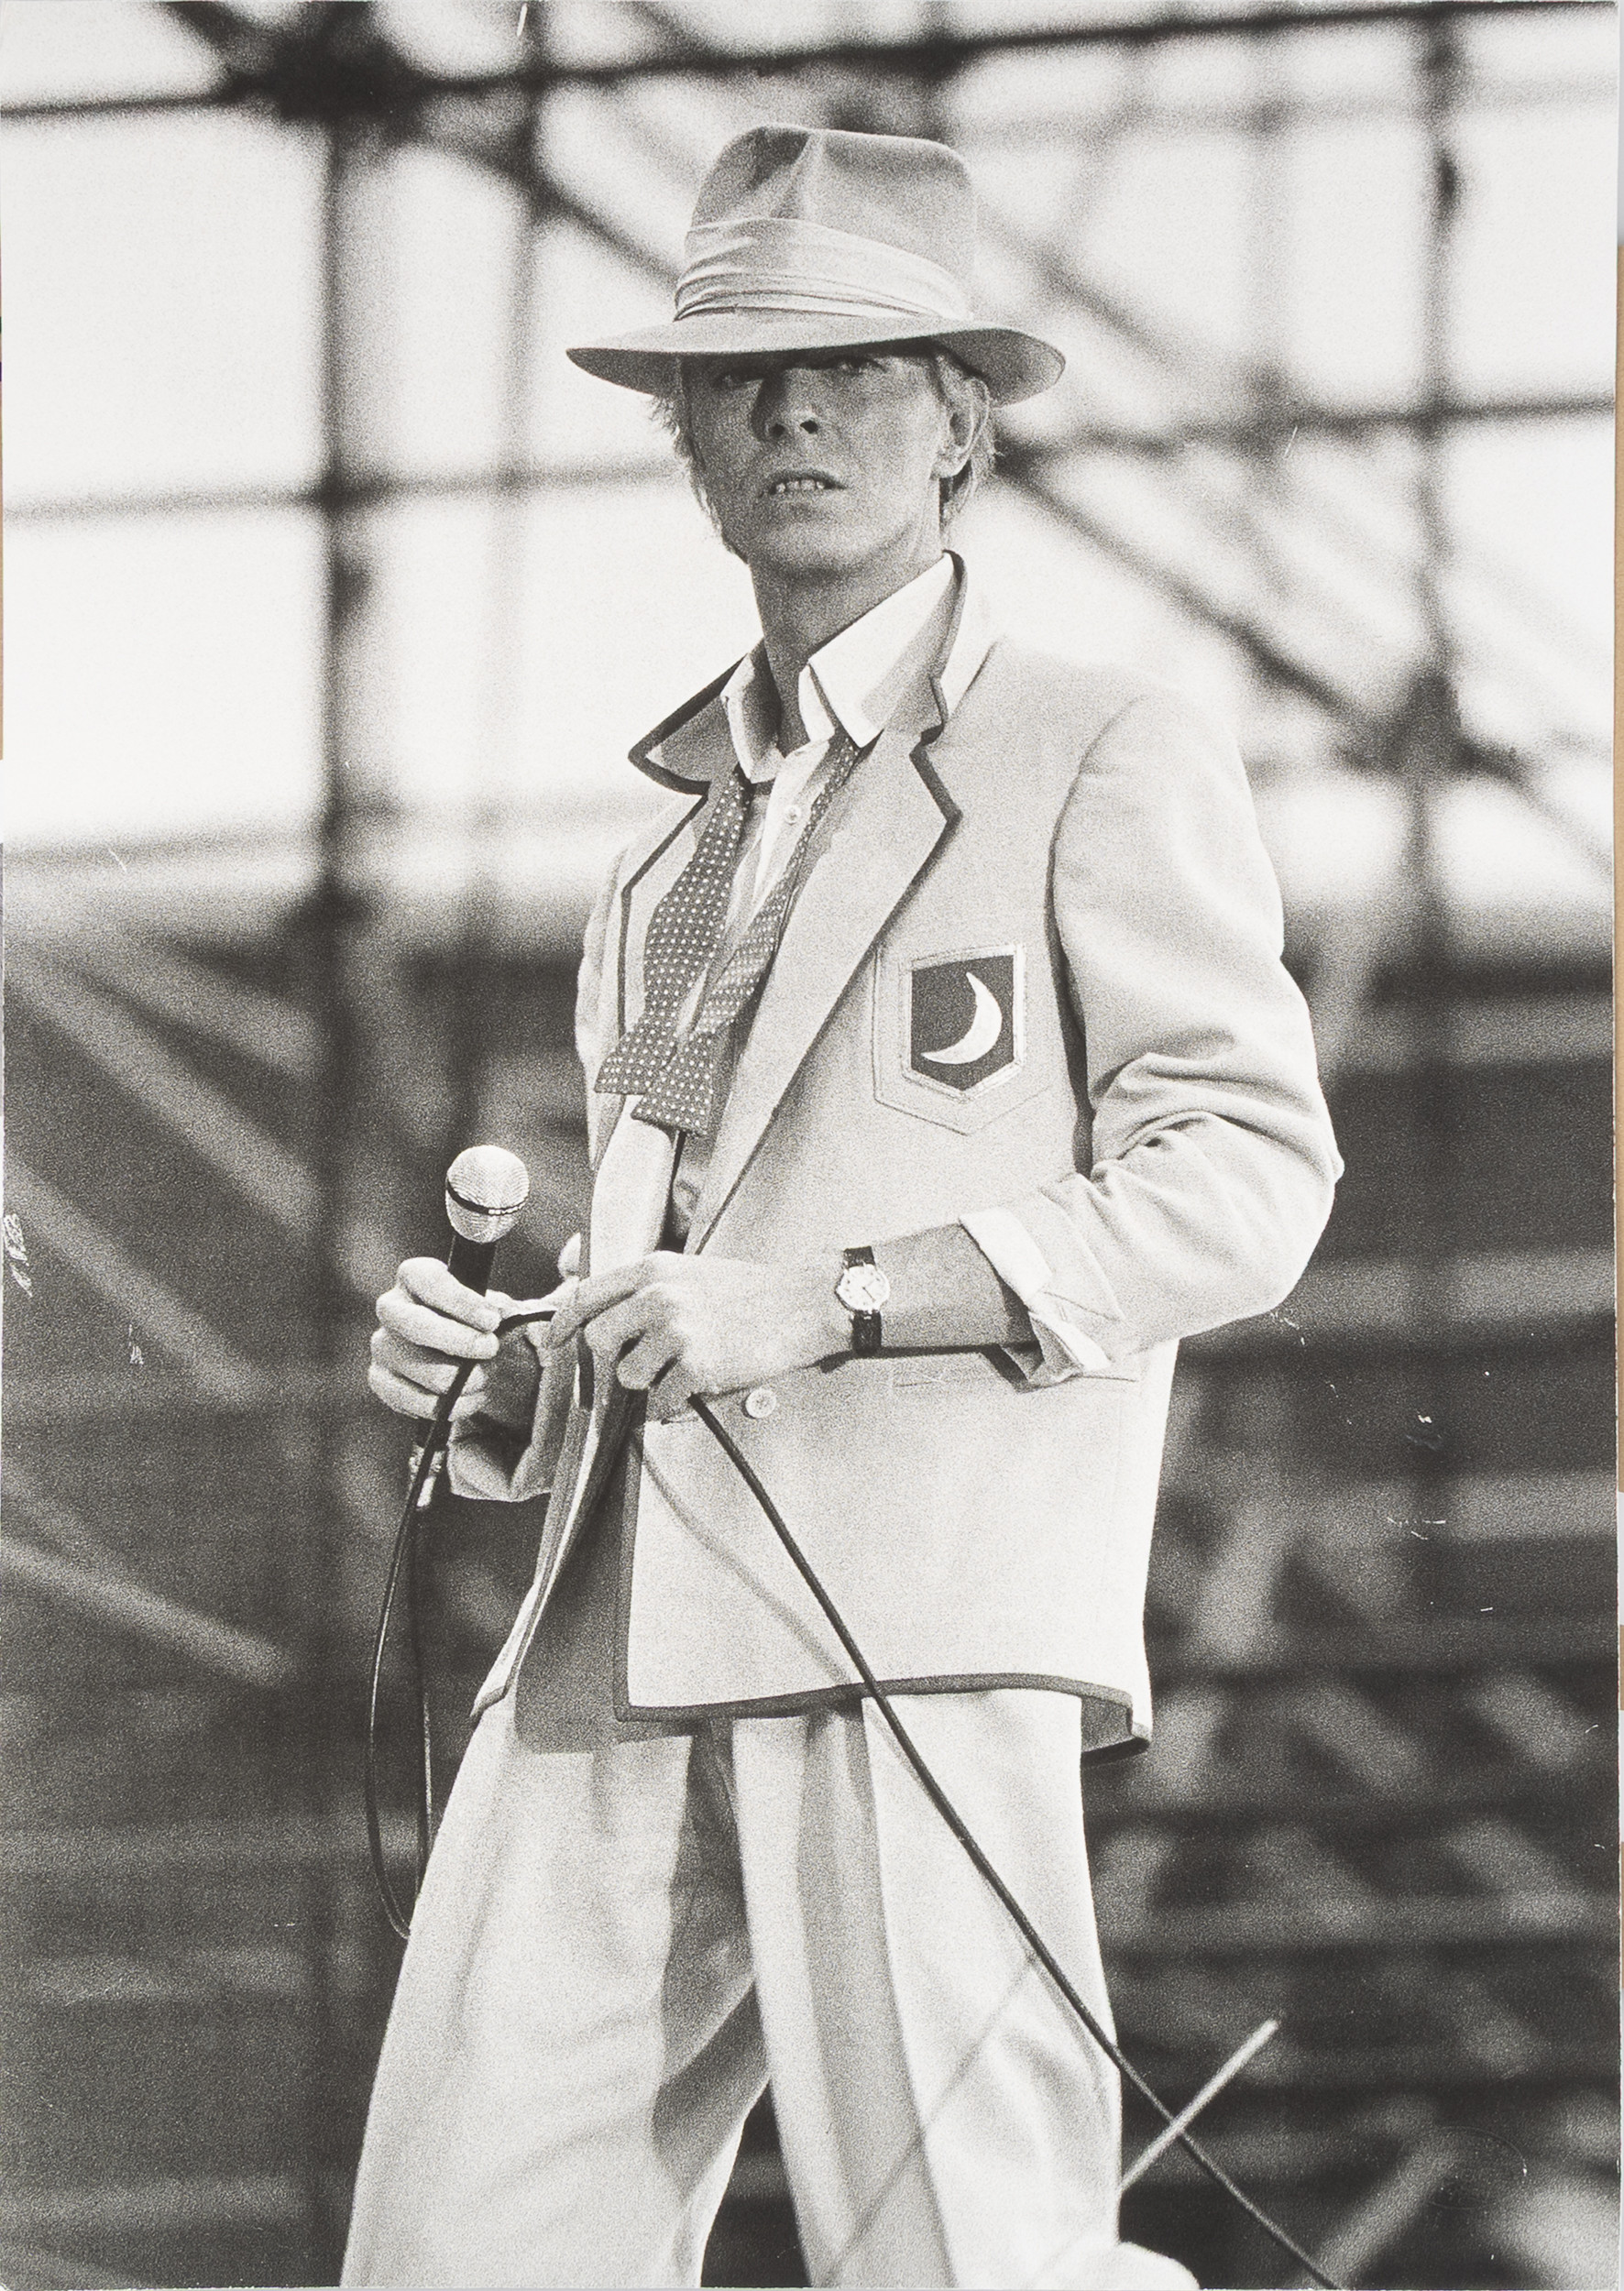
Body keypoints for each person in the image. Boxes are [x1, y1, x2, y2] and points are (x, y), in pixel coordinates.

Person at [344, 125, 1340, 2291]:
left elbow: (1249, 1180)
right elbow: (669, 1262)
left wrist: (840, 1298)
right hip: (606, 1622)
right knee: (451, 2251)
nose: (792, 412)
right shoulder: (664, 841)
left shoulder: (1097, 748)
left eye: (857, 364)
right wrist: (500, 1376)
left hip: (915, 1611)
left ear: (961, 418)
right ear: (691, 437)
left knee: (962, 2261)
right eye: (742, 377)